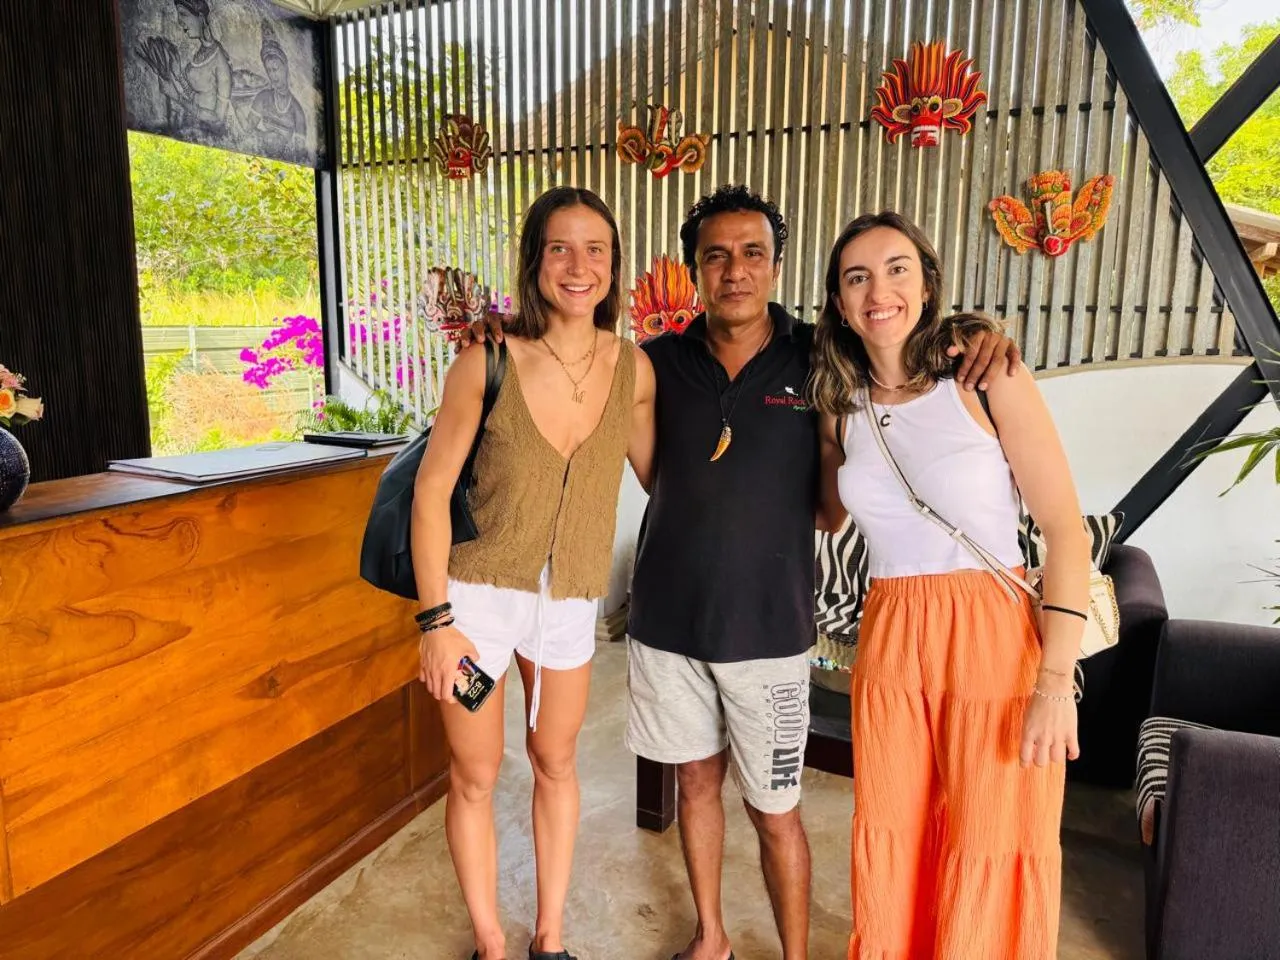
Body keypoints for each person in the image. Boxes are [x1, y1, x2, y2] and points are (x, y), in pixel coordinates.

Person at [464, 184, 1020, 960]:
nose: (734, 271)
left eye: (752, 253)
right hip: (667, 622)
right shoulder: (652, 364)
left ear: (777, 265)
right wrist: (501, 328)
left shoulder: (820, 354)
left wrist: (978, 330)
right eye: (715, 255)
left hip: (773, 627)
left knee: (776, 810)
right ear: (693, 269)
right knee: (696, 788)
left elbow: (904, 346)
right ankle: (712, 938)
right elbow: (575, 373)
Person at [807, 211, 1090, 959]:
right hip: (892, 636)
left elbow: (1067, 531)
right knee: (895, 834)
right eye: (856, 276)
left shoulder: (984, 377)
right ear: (838, 302)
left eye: (898, 268)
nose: (879, 291)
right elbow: (827, 513)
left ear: (927, 283)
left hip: (991, 633)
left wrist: (1055, 682)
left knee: (994, 831)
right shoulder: (843, 407)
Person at [412, 185, 657, 960]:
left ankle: (549, 938)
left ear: (615, 268)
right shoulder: (485, 362)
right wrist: (436, 624)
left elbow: (663, 477)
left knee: (556, 760)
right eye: (560, 247)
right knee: (477, 771)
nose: (578, 266)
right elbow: (429, 493)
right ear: (534, 260)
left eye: (596, 250)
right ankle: (491, 941)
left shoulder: (636, 371)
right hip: (477, 605)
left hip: (569, 605)